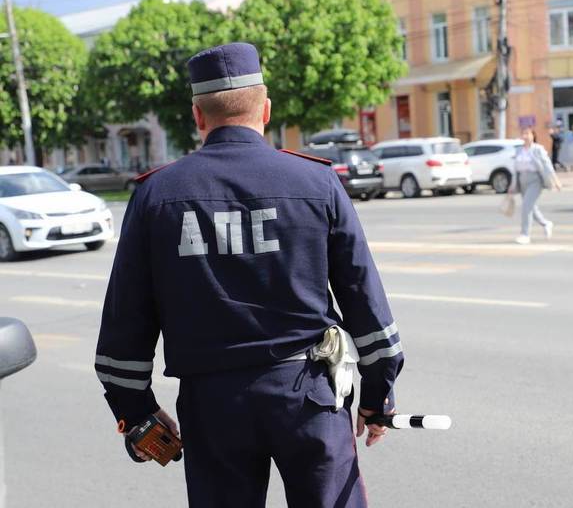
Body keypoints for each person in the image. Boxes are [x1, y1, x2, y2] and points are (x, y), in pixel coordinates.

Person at [95, 42, 404, 508]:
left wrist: (134, 411)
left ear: (198, 116)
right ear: (266, 110)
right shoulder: (315, 182)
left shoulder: (156, 195)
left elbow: (126, 319)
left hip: (212, 406)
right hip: (309, 397)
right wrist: (378, 395)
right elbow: (363, 294)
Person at [510, 128, 561, 245]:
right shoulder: (519, 150)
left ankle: (525, 234)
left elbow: (547, 165)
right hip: (522, 180)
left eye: (527, 134)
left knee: (526, 206)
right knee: (531, 207)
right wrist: (512, 185)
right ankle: (546, 223)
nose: (525, 136)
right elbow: (515, 169)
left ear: (533, 136)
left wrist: (556, 180)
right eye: (523, 133)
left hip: (535, 180)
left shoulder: (538, 149)